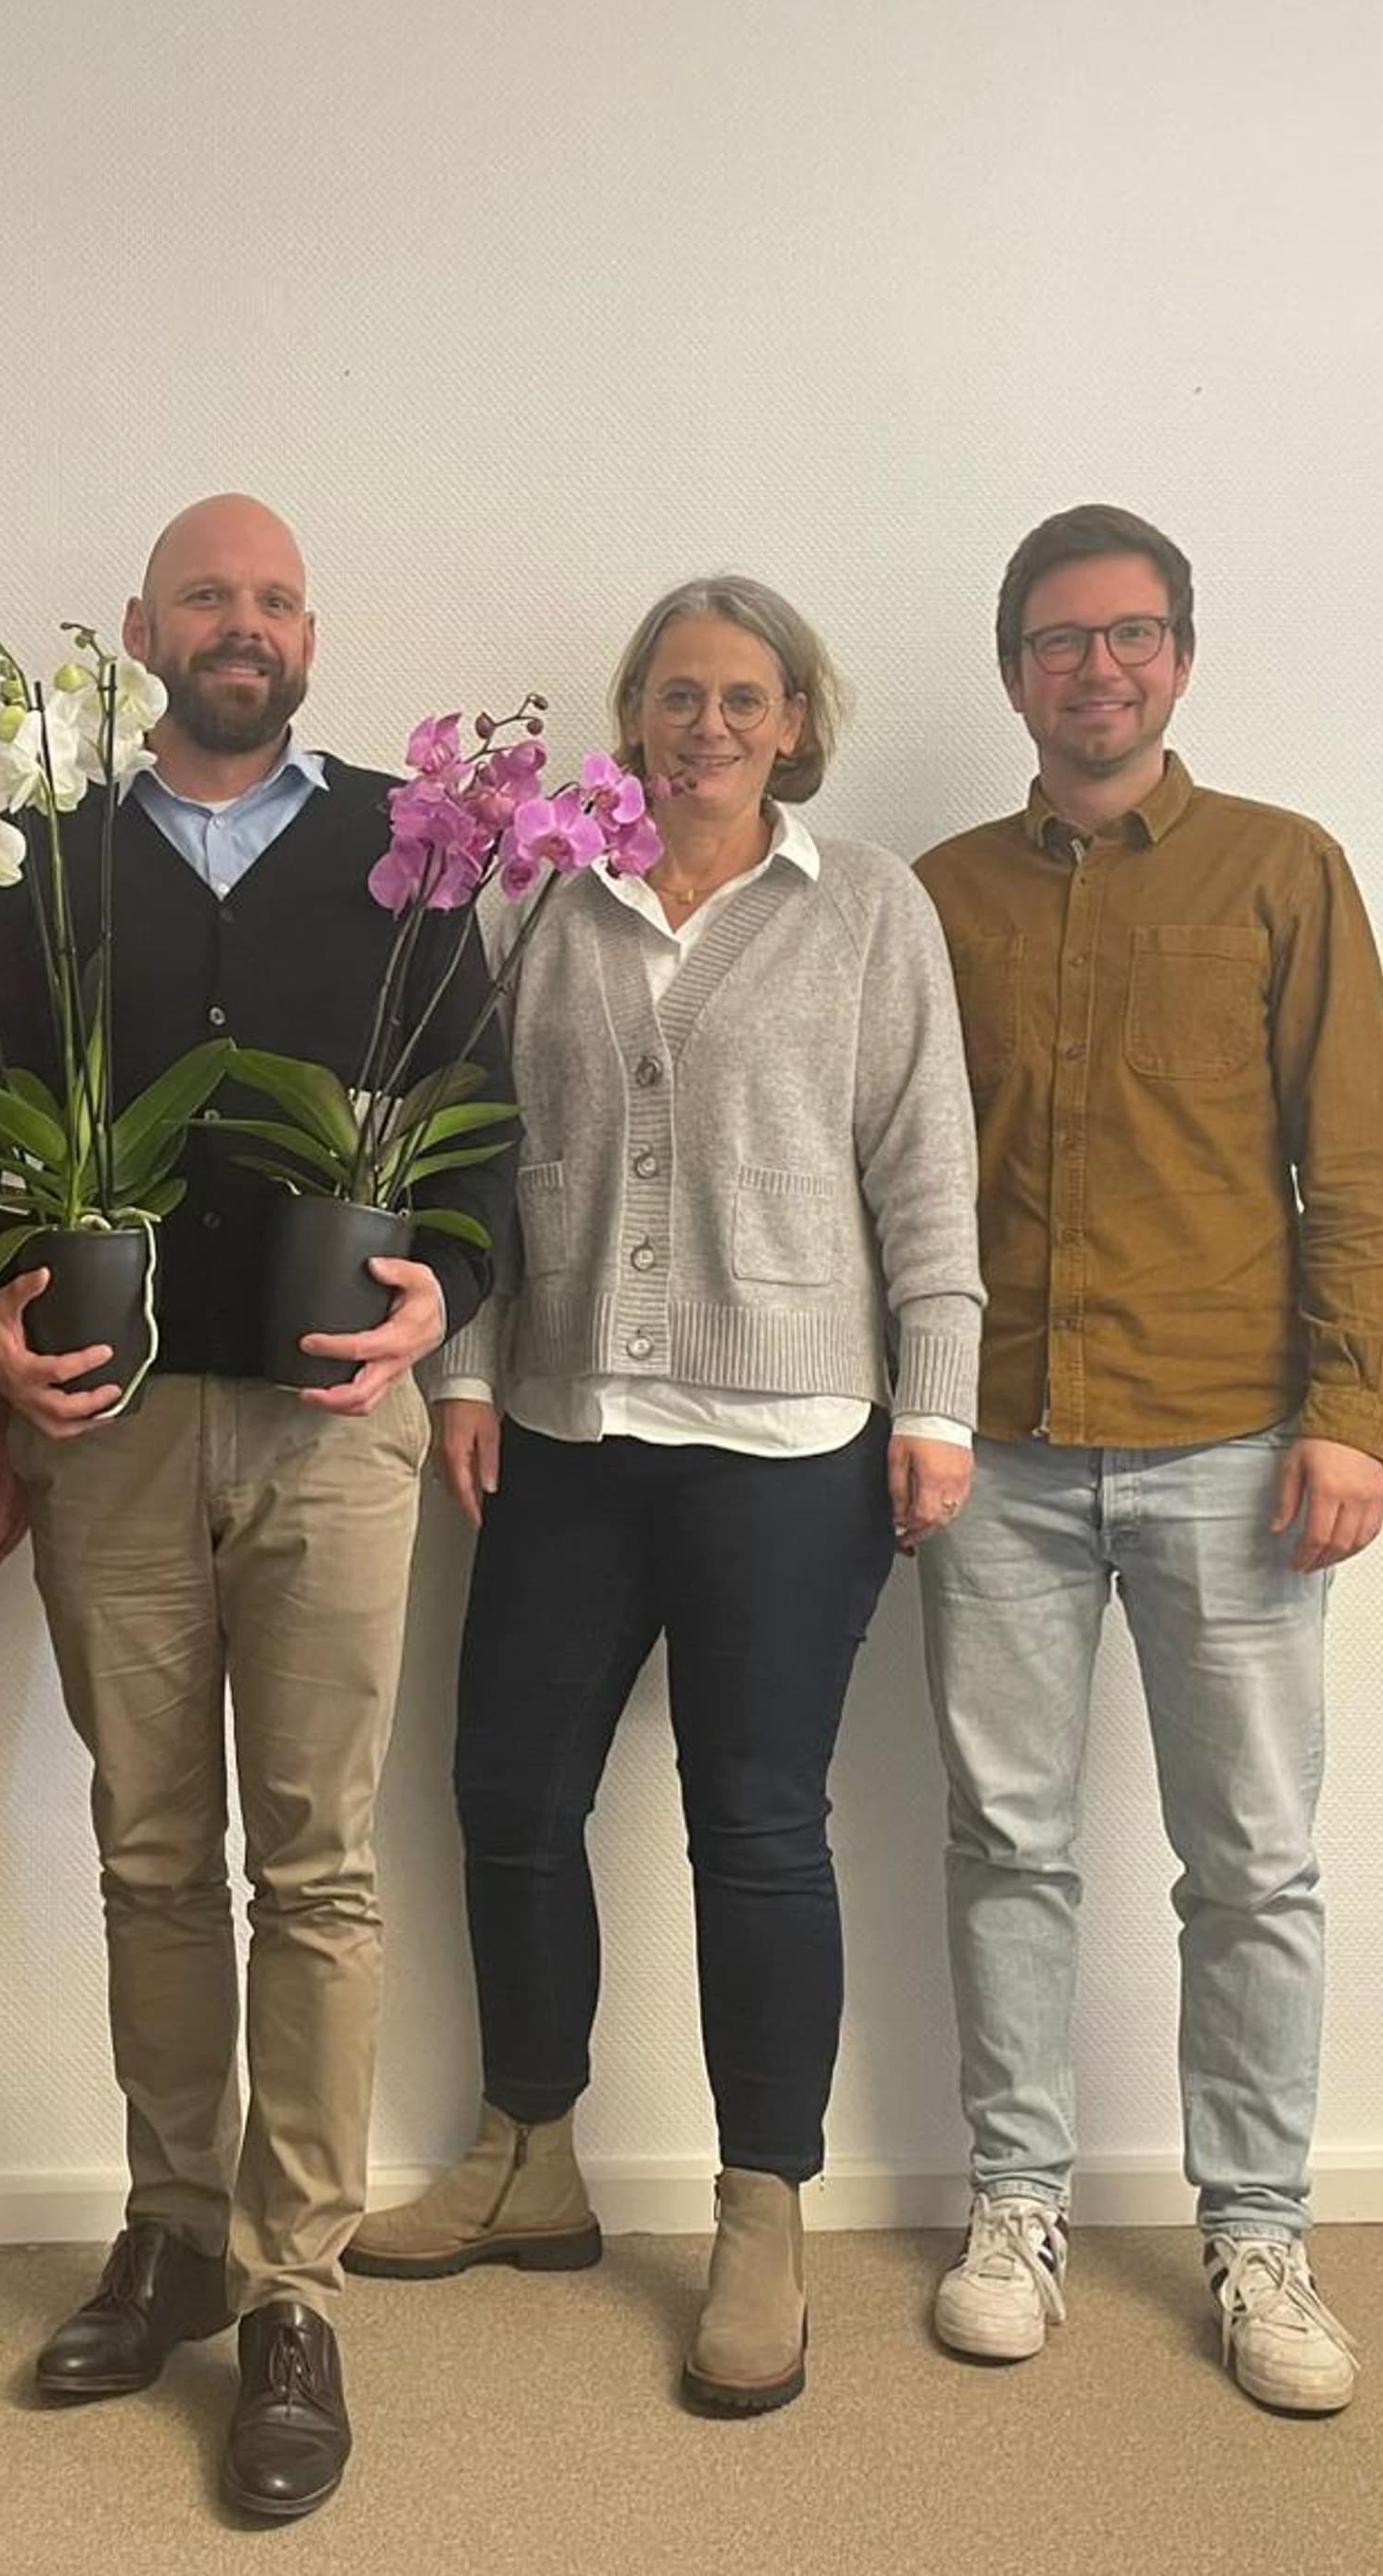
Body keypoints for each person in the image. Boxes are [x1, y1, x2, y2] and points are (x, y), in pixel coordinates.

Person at [344, 574, 983, 2417]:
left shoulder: (865, 908)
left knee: (757, 1826)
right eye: (676, 694)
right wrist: (465, 1371)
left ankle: (760, 2212)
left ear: (796, 719)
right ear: (633, 715)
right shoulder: (549, 900)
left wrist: (934, 1405)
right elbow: (472, 1148)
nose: (708, 725)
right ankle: (532, 2155)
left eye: (744, 697)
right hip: (566, 1422)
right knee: (506, 1793)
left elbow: (924, 1167)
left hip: (793, 1440)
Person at [0, 494, 512, 2521]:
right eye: (208, 596)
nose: (241, 626)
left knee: (323, 1868)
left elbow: (484, 1120)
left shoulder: (412, 852)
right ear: (142, 627)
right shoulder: (46, 853)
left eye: (272, 599)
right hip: (109, 1418)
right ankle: (171, 2229)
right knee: (152, 1849)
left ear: (310, 635)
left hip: (335, 1422)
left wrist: (458, 1282)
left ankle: (293, 2287)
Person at [913, 504, 1383, 2416]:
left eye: (1129, 636)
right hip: (1005, 1461)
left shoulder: (1286, 874)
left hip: (1237, 1447)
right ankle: (1017, 2205)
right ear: (1015, 672)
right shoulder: (942, 895)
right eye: (1058, 640)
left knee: (1256, 1866)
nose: (1096, 669)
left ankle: (1260, 2234)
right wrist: (918, 1411)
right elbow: (902, 1182)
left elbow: (1357, 1164)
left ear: (1180, 661)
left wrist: (1356, 1412)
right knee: (1006, 1845)